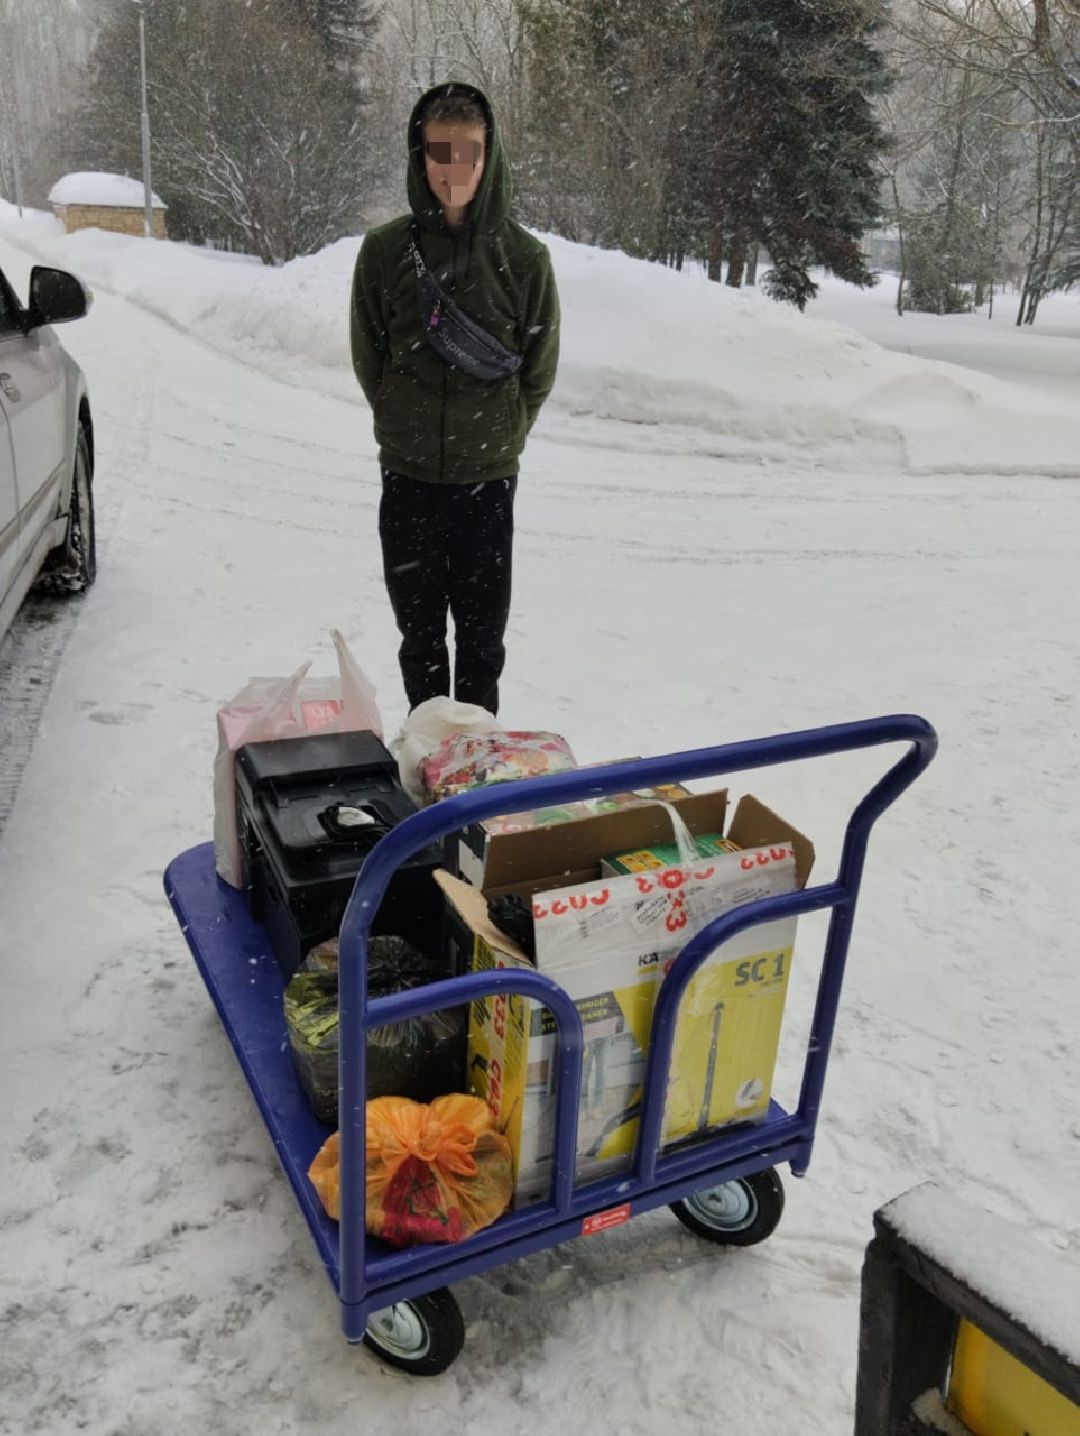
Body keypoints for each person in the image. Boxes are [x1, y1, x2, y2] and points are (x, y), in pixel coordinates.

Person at [351, 81, 560, 717]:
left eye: (469, 152)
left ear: (489, 155)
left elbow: (538, 370)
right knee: (418, 640)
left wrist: (503, 435)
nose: (454, 169)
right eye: (440, 152)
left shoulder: (524, 258)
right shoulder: (385, 252)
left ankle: (477, 769)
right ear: (421, 157)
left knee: (481, 642)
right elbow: (371, 357)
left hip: (487, 483)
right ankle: (424, 752)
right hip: (409, 476)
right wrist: (399, 418)